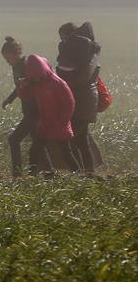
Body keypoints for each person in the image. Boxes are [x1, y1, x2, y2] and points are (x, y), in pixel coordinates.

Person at [18, 54, 80, 176]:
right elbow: (25, 96)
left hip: (59, 124)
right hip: (46, 124)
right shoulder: (37, 83)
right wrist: (23, 87)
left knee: (65, 152)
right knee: (35, 150)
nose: (35, 78)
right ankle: (32, 175)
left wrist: (63, 120)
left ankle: (79, 174)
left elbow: (69, 103)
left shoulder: (58, 83)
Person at [56, 22, 101, 175]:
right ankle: (88, 172)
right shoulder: (87, 54)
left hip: (84, 101)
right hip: (85, 101)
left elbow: (84, 78)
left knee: (73, 137)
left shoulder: (89, 57)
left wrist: (63, 85)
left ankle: (80, 173)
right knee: (81, 139)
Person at [0, 36, 38, 177]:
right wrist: (9, 99)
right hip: (29, 110)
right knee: (37, 141)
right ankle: (47, 172)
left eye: (8, 59)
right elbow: (20, 87)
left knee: (14, 139)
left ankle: (17, 175)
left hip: (34, 110)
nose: (8, 63)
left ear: (15, 54)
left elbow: (33, 85)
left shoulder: (26, 65)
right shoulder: (17, 66)